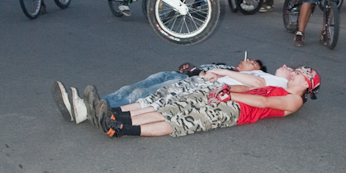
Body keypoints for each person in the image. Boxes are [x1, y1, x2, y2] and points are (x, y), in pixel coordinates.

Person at [97, 66, 320, 139]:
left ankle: (122, 129)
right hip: (229, 96)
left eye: (301, 73)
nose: (296, 72)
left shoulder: (294, 100)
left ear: (306, 85)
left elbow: (263, 102)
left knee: (182, 121)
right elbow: (254, 87)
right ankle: (118, 116)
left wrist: (231, 96)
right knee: (173, 108)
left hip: (237, 110)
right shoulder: (281, 87)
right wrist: (227, 88)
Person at [52, 57, 276, 123]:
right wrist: (190, 67)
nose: (249, 62)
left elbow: (214, 80)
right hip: (177, 75)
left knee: (141, 96)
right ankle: (86, 107)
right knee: (134, 87)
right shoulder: (225, 65)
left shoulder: (245, 78)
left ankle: (85, 108)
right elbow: (199, 69)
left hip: (186, 85)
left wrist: (200, 74)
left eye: (254, 64)